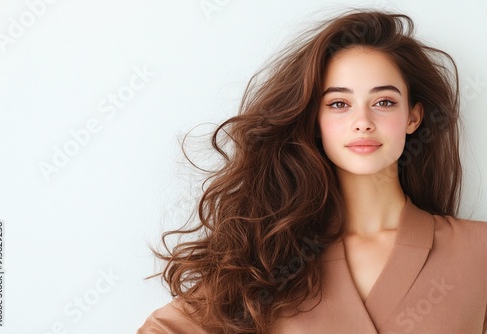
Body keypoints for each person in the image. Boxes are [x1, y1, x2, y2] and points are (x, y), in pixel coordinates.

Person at [138, 9, 487, 334]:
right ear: (315, 121)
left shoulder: (477, 251)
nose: (362, 122)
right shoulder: (272, 256)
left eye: (383, 102)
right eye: (339, 104)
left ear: (413, 117)